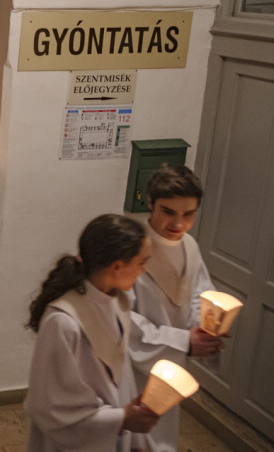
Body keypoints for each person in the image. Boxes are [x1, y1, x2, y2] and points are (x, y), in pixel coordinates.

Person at [24, 214, 159, 451]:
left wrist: (131, 427)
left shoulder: (118, 301)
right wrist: (120, 419)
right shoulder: (63, 322)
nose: (144, 271)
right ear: (117, 266)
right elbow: (49, 406)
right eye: (141, 262)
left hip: (111, 433)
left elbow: (119, 374)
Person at [128, 163, 222, 452]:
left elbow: (199, 293)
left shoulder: (189, 246)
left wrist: (206, 327)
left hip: (172, 365)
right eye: (168, 212)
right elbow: (122, 321)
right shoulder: (130, 249)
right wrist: (185, 341)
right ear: (150, 202)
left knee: (162, 436)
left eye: (188, 214)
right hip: (132, 369)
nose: (178, 224)